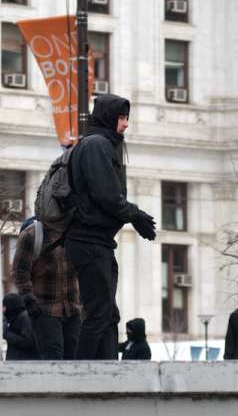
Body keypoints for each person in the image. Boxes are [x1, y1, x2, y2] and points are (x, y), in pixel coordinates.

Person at [64, 93, 157, 359]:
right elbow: (106, 194)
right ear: (108, 117)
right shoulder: (96, 145)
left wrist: (132, 215)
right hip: (88, 240)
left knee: (108, 314)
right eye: (121, 117)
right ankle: (82, 376)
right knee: (99, 313)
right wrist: (135, 215)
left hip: (100, 242)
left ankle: (107, 369)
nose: (126, 124)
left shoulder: (105, 144)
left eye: (127, 118)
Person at [12, 216, 81, 359]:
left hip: (72, 309)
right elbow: (19, 273)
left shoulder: (76, 232)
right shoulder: (32, 235)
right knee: (53, 361)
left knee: (74, 362)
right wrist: (30, 301)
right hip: (45, 310)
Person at [2, 293, 39, 361]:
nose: (3, 309)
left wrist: (6, 334)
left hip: (24, 361)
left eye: (4, 306)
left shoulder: (25, 317)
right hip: (18, 360)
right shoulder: (13, 317)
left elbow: (28, 341)